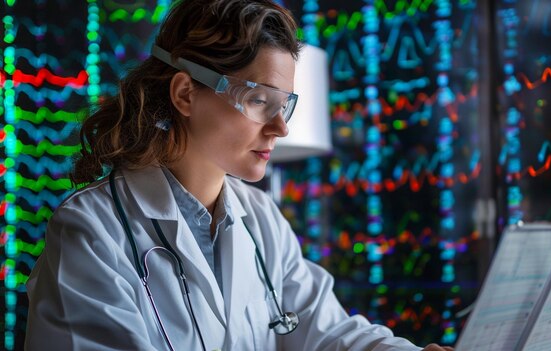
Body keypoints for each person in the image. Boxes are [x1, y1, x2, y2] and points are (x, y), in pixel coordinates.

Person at [25, 0, 454, 350]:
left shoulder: (261, 217)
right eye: (258, 100)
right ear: (185, 93)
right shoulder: (92, 231)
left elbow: (328, 332)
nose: (280, 128)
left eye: (283, 104)